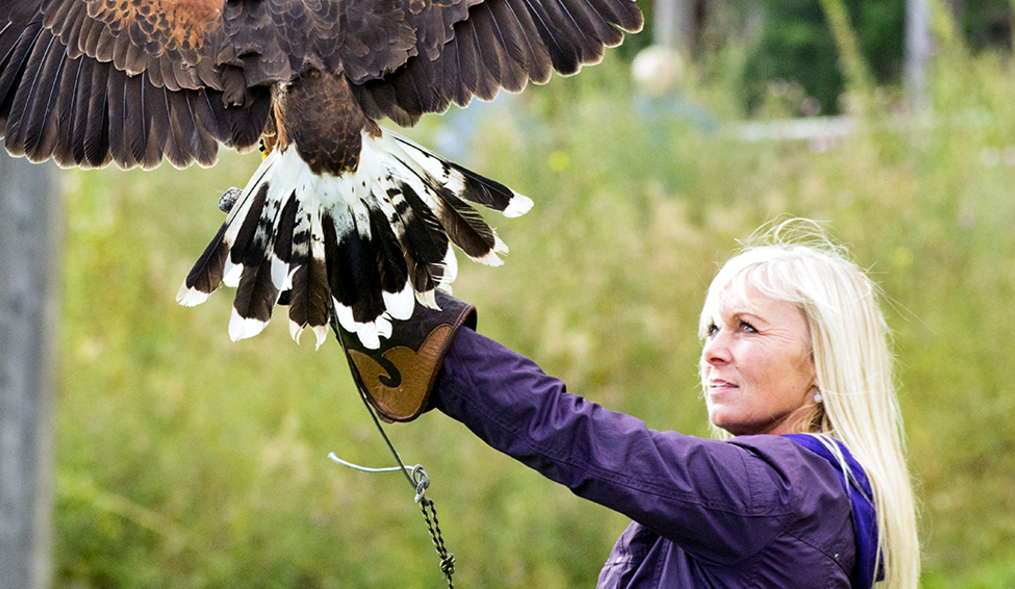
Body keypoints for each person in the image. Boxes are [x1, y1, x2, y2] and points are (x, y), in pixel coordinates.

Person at [341, 220, 920, 588]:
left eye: (747, 329)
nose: (713, 351)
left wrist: (407, 319)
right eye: (711, 329)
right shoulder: (817, 493)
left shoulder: (773, 493)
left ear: (823, 364)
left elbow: (573, 434)